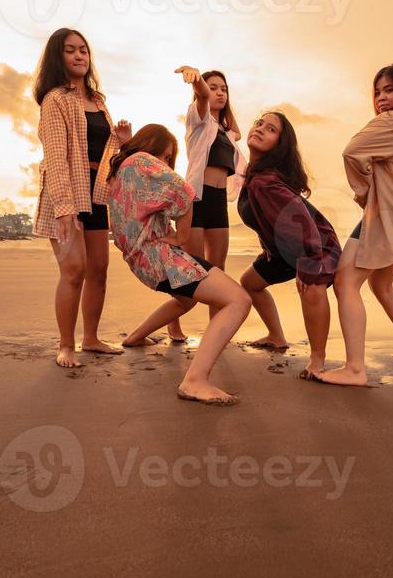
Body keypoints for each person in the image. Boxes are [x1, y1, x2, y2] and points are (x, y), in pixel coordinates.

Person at [107, 124, 251, 406]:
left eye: (169, 160)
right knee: (238, 300)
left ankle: (135, 337)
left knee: (186, 301)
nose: (165, 164)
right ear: (150, 146)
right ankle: (195, 381)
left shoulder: (120, 172)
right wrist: (183, 235)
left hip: (141, 263)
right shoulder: (141, 162)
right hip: (159, 257)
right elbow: (184, 190)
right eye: (165, 155)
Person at [319, 64, 393, 386]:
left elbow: (351, 152)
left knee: (345, 283)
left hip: (385, 218)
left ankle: (355, 369)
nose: (382, 98)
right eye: (377, 92)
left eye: (389, 90)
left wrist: (364, 193)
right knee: (381, 286)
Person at [33, 27, 132, 368]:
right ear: (57, 57)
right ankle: (66, 345)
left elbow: (104, 155)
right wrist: (64, 208)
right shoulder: (55, 99)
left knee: (99, 269)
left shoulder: (98, 101)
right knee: (74, 270)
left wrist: (120, 140)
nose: (79, 56)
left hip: (97, 191)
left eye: (84, 51)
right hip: (67, 191)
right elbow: (56, 157)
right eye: (70, 51)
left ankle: (90, 338)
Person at [238, 112, 342, 379]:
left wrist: (308, 265)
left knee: (311, 286)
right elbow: (268, 220)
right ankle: (276, 337)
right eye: (258, 123)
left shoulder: (266, 182)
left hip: (316, 245)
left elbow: (303, 224)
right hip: (284, 250)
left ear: (279, 145)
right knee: (250, 282)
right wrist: (269, 248)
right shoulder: (256, 175)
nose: (260, 129)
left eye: (270, 129)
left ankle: (317, 360)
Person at [166, 65, 247, 342]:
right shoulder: (198, 121)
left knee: (218, 270)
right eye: (214, 88)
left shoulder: (226, 133)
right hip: (196, 201)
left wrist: (222, 108)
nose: (219, 93)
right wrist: (198, 79)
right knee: (191, 268)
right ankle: (173, 320)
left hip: (218, 203)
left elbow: (237, 130)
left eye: (224, 89)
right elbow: (201, 96)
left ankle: (217, 329)